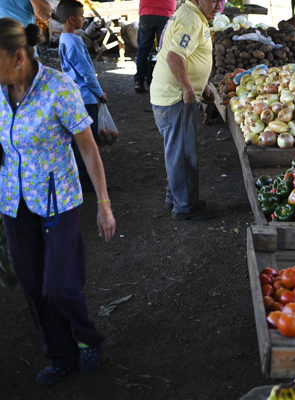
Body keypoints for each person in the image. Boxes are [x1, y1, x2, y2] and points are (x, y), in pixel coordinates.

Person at [0, 18, 115, 386]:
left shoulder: (58, 88)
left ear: (19, 57)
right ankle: (61, 354)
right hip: (14, 204)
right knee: (33, 286)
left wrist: (103, 203)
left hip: (58, 201)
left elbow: (88, 147)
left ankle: (88, 337)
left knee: (60, 285)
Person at [150, 0, 219, 221]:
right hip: (175, 99)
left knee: (177, 152)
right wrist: (189, 90)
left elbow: (185, 54)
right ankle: (186, 207)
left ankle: (176, 199)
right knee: (182, 155)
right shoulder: (191, 19)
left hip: (169, 95)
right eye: (214, 0)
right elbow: (174, 57)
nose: (218, 5)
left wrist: (203, 85)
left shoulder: (191, 13)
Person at [57, 0, 107, 189]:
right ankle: (86, 181)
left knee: (79, 141)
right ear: (71, 19)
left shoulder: (64, 38)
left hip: (74, 95)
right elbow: (86, 72)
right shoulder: (74, 41)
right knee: (88, 142)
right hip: (86, 97)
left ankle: (81, 177)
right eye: (81, 16)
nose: (83, 19)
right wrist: (100, 92)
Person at [133, 0, 176, 93]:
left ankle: (139, 81)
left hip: (147, 11)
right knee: (164, 50)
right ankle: (163, 82)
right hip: (166, 11)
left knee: (143, 50)